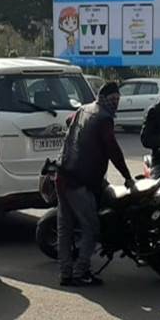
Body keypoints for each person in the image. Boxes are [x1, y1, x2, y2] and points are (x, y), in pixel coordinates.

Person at [56, 80, 134, 287]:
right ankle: (81, 272)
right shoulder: (103, 118)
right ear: (104, 98)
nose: (116, 103)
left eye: (118, 99)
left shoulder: (84, 109)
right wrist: (127, 176)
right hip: (80, 182)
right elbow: (113, 150)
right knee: (91, 227)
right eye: (113, 99)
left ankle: (66, 273)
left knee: (65, 227)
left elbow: (69, 124)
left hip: (63, 175)